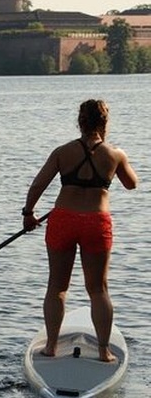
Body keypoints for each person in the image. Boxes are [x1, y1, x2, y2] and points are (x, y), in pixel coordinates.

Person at [22, 99, 138, 362]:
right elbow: (132, 184)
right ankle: (103, 351)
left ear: (80, 122)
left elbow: (38, 184)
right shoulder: (115, 154)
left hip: (63, 220)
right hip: (96, 222)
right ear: (104, 123)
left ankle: (51, 346)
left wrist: (29, 214)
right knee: (98, 290)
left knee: (57, 287)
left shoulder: (62, 152)